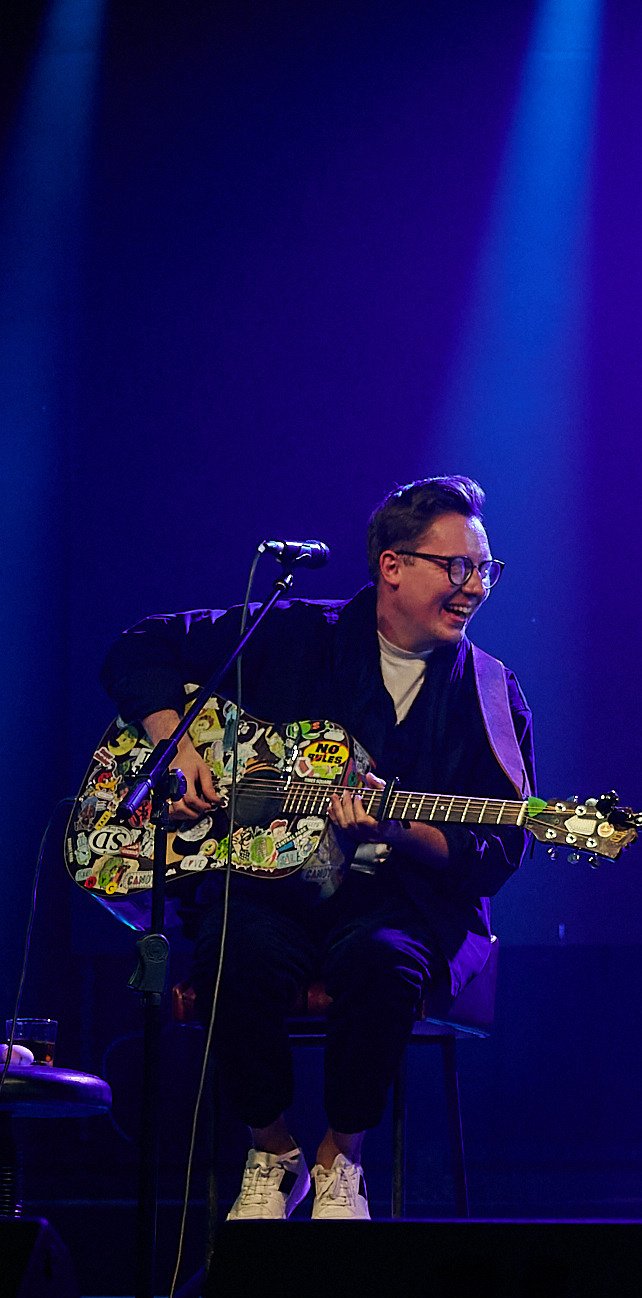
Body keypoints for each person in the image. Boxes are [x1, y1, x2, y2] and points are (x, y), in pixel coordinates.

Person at [101, 476, 533, 1221]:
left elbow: (498, 846)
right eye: (457, 567)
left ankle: (341, 1156)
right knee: (232, 949)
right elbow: (140, 646)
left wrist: (398, 830)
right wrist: (174, 745)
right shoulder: (293, 631)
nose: (474, 587)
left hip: (399, 902)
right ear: (392, 566)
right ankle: (271, 1149)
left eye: (484, 570)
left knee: (384, 961)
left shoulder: (492, 692)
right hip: (273, 889)